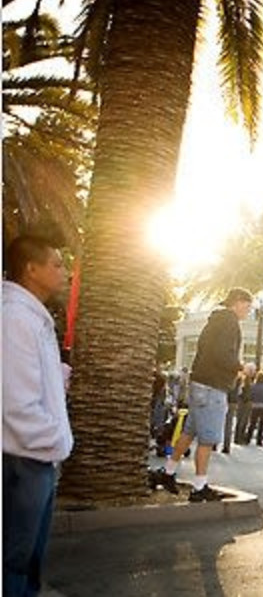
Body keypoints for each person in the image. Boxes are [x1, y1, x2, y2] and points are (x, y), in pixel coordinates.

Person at [3, 235, 72, 596]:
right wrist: (53, 441)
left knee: (28, 562)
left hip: (35, 457)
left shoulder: (31, 317)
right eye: (57, 264)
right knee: (14, 563)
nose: (64, 271)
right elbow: (14, 402)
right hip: (24, 458)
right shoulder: (16, 317)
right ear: (31, 268)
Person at [151, 288, 253, 502]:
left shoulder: (214, 320)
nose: (249, 310)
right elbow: (223, 354)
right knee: (207, 439)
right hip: (212, 387)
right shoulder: (229, 322)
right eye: (247, 305)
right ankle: (199, 487)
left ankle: (168, 472)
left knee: (189, 432)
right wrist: (241, 366)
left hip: (200, 383)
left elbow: (208, 350)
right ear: (237, 302)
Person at [246, 371, 263, 446]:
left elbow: (251, 396)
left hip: (255, 406)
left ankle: (248, 438)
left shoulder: (253, 386)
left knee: (252, 423)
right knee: (262, 424)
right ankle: (259, 440)